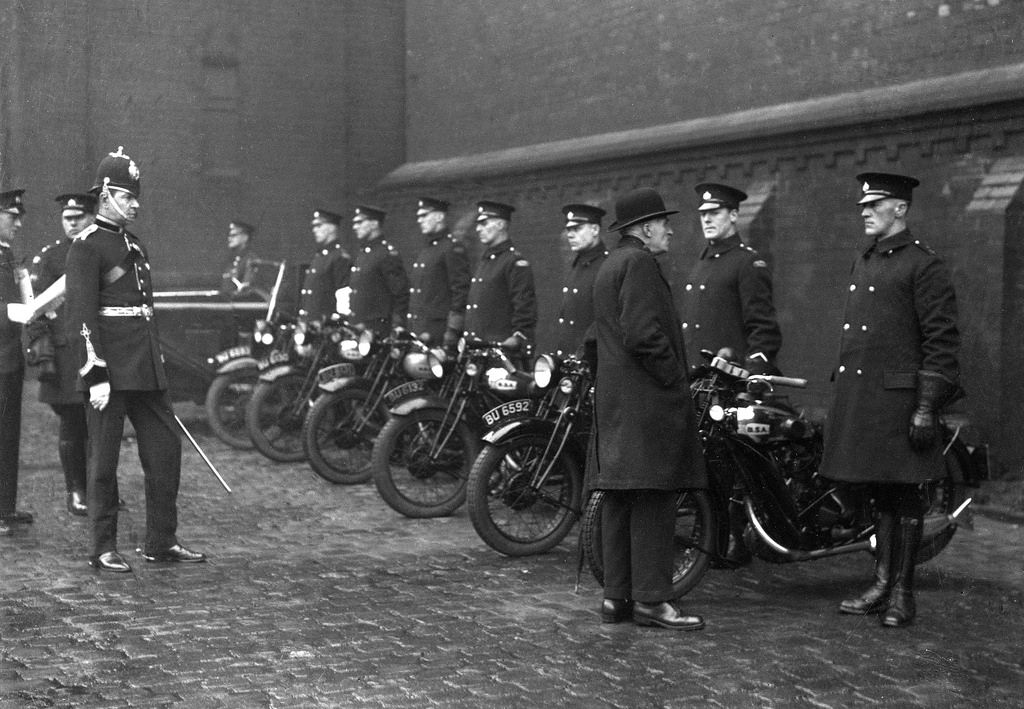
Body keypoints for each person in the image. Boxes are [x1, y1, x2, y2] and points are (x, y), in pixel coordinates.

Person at [822, 172, 961, 628]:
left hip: (902, 403)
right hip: (868, 400)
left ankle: (902, 593)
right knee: (881, 493)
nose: (865, 211)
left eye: (875, 204)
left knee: (905, 497)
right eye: (863, 204)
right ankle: (881, 583)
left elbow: (941, 342)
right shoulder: (865, 260)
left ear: (900, 208)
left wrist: (925, 407)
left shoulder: (924, 266)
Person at [65, 147, 206, 572]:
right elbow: (81, 317)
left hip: (143, 368)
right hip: (109, 370)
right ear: (105, 194)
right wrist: (95, 372)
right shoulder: (87, 247)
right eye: (128, 196)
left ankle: (160, 541)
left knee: (165, 452)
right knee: (104, 461)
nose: (135, 203)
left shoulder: (133, 244)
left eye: (136, 195)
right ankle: (103, 546)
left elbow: (143, 311)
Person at [589, 187, 707, 630]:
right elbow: (643, 335)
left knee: (620, 498)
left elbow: (593, 339)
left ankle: (616, 599)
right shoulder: (639, 264)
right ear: (644, 229)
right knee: (656, 498)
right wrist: (676, 378)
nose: (670, 230)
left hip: (617, 405)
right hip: (647, 405)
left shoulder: (609, 265)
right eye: (664, 223)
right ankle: (654, 600)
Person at [680, 182, 783, 567]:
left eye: (715, 213)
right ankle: (711, 537)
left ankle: (732, 540)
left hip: (730, 383)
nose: (707, 220)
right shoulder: (702, 261)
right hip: (701, 381)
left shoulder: (746, 263)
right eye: (703, 214)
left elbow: (764, 330)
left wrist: (748, 370)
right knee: (706, 464)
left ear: (734, 216)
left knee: (729, 467)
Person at [26, 193, 97, 515]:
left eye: (78, 217)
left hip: (98, 350)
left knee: (100, 424)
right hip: (67, 355)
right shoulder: (53, 258)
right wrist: (44, 354)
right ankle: (76, 492)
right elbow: (37, 309)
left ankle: (100, 488)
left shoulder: (100, 253)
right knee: (72, 423)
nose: (72, 223)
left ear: (92, 217)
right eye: (67, 218)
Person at [465, 200, 537, 365]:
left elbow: (524, 305)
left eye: (484, 223)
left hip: (502, 352)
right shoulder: (486, 261)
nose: (478, 229)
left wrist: (518, 337)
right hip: (479, 350)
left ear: (500, 224)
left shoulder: (514, 262)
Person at [0, 189, 30, 536]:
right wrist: (13, 311)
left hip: (8, 360)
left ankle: (5, 506)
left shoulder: (7, 256)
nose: (19, 223)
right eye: (13, 216)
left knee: (8, 436)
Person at [407, 197, 470, 349]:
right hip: (420, 329)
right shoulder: (428, 249)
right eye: (418, 216)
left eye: (424, 215)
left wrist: (453, 330)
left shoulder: (451, 248)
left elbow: (460, 290)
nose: (420, 220)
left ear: (439, 217)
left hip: (439, 332)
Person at [554, 204, 607, 357]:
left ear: (595, 230)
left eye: (577, 229)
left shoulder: (606, 266)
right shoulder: (577, 265)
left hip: (592, 360)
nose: (570, 235)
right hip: (571, 359)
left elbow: (604, 322)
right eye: (569, 230)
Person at [349, 205, 410, 336]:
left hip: (377, 329)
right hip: (357, 326)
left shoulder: (386, 254)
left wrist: (397, 324)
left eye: (360, 222)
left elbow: (401, 293)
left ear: (374, 224)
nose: (355, 227)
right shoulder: (363, 254)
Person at [299, 208, 351, 321]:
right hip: (311, 322)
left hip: (328, 325)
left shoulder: (339, 257)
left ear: (331, 228)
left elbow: (344, 294)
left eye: (319, 226)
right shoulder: (320, 257)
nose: (314, 230)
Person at [219, 220, 259, 296]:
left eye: (233, 235)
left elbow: (246, 290)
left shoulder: (251, 259)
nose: (229, 239)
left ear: (245, 237)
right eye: (229, 235)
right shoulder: (230, 259)